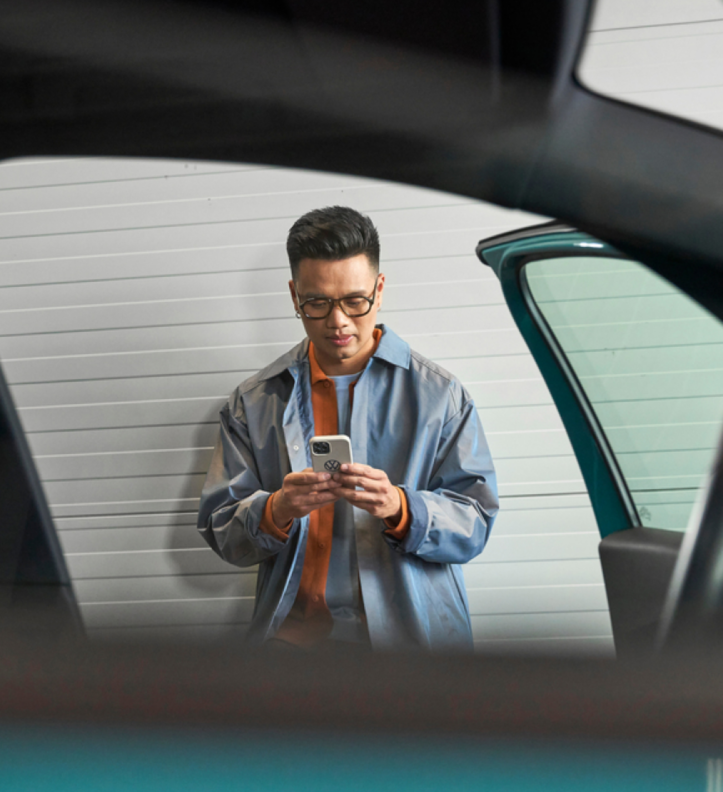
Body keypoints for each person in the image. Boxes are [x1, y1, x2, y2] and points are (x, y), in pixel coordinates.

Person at [197, 206, 498, 651]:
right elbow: (222, 530)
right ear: (294, 295)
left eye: (354, 301)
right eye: (317, 302)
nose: (338, 322)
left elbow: (475, 523)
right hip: (292, 646)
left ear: (379, 290)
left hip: (412, 644)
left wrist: (401, 507)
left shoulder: (441, 396)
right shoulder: (253, 401)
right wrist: (277, 509)